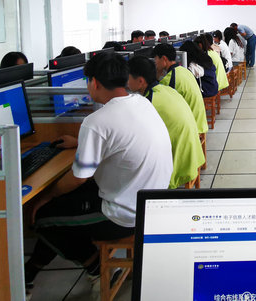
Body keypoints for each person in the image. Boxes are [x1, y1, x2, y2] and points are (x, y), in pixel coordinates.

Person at [24, 53, 172, 295]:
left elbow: (79, 177)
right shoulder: (141, 102)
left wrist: (47, 195)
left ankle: (96, 268)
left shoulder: (97, 122)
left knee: (44, 216)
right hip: (150, 199)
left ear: (94, 82)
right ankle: (28, 274)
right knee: (61, 209)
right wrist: (81, 142)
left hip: (124, 215)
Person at [127, 56, 205, 189]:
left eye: (128, 77)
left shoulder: (148, 102)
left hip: (181, 160)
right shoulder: (166, 89)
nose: (126, 82)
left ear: (140, 81)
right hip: (193, 151)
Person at [154, 43, 208, 136]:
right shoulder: (184, 70)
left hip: (192, 126)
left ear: (164, 59)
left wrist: (157, 76)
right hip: (200, 121)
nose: (155, 63)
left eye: (156, 59)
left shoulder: (170, 79)